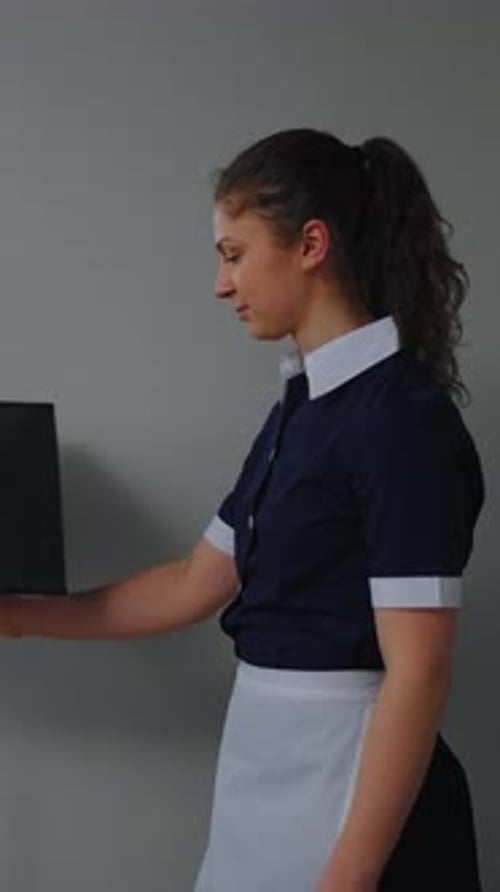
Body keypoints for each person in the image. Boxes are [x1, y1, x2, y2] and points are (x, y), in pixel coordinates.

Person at [0, 127, 485, 892]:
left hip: (351, 783)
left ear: (311, 245)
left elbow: (419, 670)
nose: (222, 285)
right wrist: (18, 616)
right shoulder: (301, 407)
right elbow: (196, 581)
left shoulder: (401, 421)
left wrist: (349, 878)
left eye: (234, 253)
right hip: (267, 764)